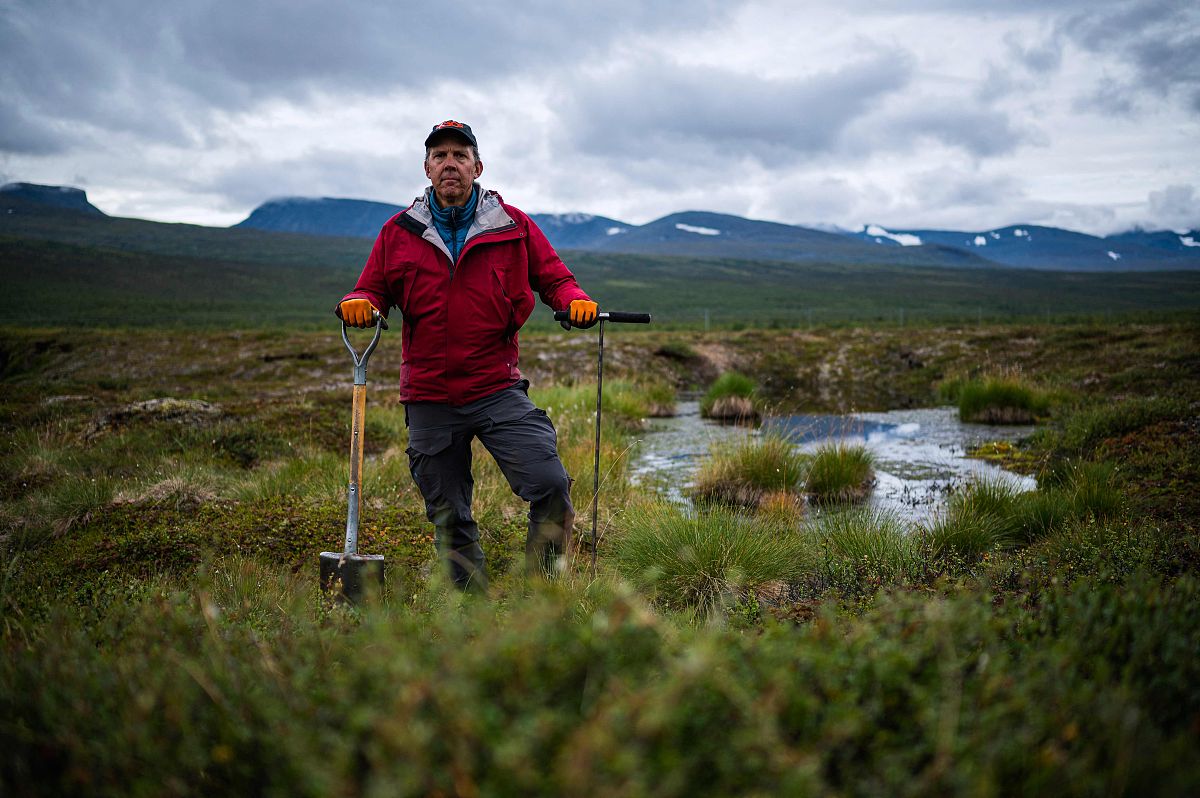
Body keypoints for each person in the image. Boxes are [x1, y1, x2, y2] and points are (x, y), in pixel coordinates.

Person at [336, 120, 599, 592]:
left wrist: (574, 301)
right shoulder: (398, 232)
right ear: (427, 169)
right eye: (440, 156)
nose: (450, 164)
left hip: (495, 386)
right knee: (448, 513)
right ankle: (472, 609)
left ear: (478, 167)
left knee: (550, 483)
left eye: (460, 155)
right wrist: (360, 303)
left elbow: (556, 278)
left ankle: (543, 594)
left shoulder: (513, 226)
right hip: (429, 392)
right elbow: (371, 289)